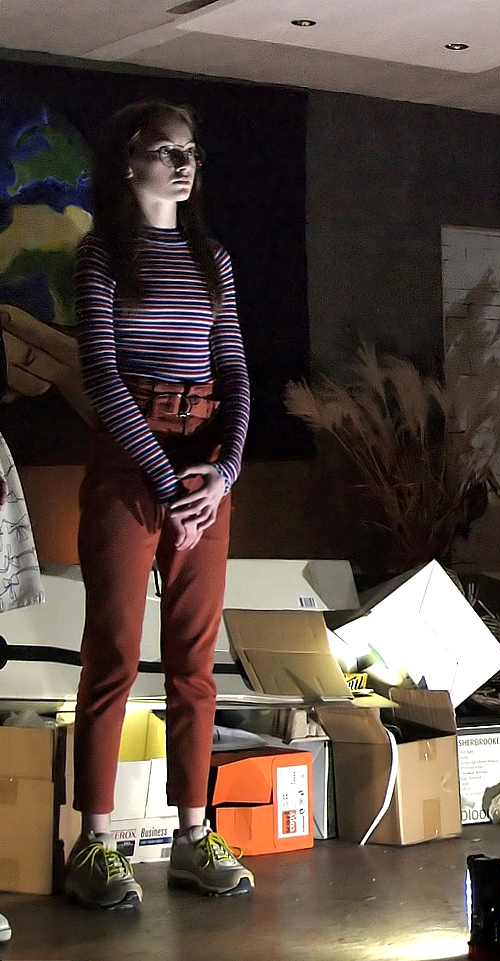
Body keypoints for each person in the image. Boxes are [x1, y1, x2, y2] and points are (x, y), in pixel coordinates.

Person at [65, 100, 254, 907]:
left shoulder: (214, 258)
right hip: (129, 462)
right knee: (111, 654)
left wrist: (224, 472)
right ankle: (95, 843)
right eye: (164, 151)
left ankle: (191, 835)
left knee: (194, 663)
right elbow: (102, 377)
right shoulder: (102, 254)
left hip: (204, 464)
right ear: (127, 161)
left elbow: (235, 370)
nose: (182, 165)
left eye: (190, 153)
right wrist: (161, 476)